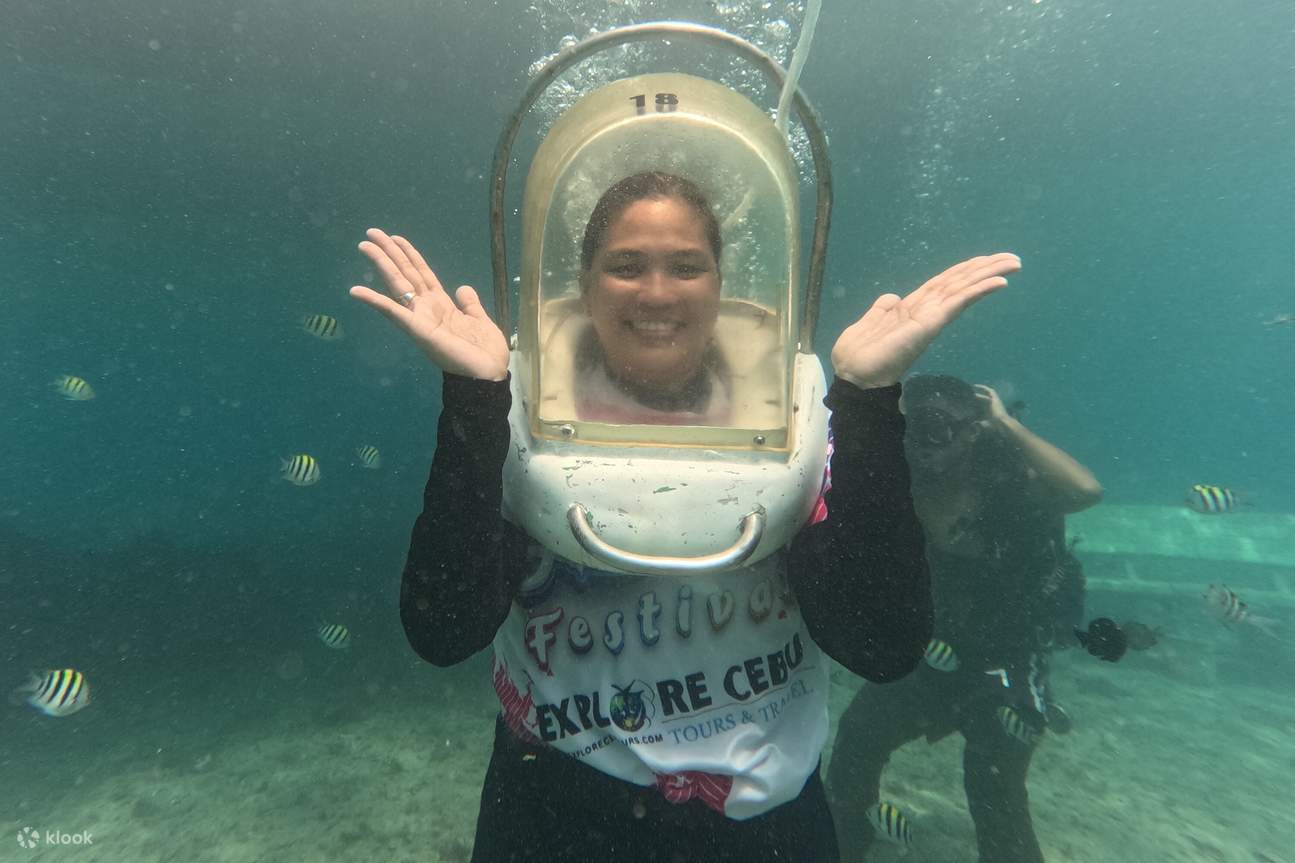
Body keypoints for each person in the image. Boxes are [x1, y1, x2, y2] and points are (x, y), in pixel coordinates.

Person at [350, 171, 1022, 861]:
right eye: (624, 265)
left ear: (720, 284)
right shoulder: (513, 400)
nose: (656, 292)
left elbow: (878, 644)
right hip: (552, 804)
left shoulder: (798, 411)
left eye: (686, 266)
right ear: (582, 283)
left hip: (761, 825)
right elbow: (442, 630)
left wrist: (868, 401)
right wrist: (472, 400)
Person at [826, 373, 1103, 863]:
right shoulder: (899, 478)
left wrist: (1006, 426)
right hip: (936, 649)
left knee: (994, 785)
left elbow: (1084, 491)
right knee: (858, 736)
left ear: (973, 431)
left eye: (936, 430)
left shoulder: (1012, 478)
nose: (921, 446)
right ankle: (845, 847)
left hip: (1010, 655)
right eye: (909, 431)